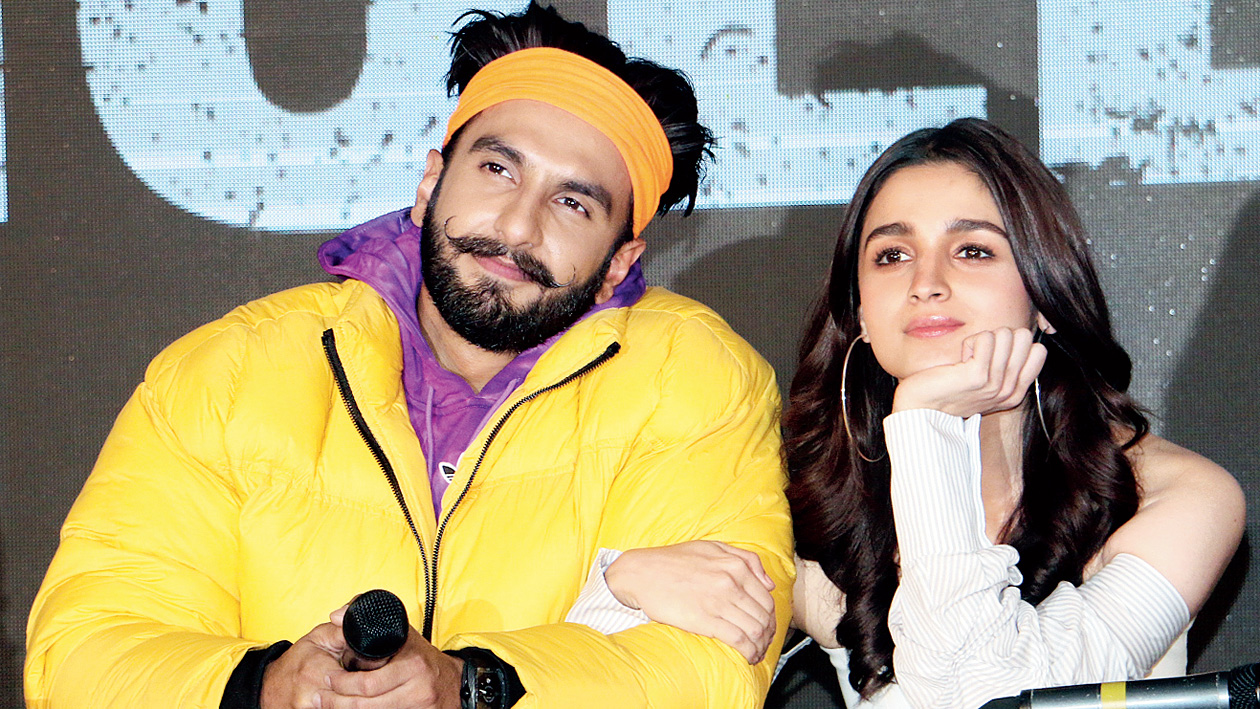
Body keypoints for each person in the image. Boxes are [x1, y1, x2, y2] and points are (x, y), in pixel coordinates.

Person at [23, 4, 793, 708]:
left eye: (572, 202)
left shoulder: (693, 379)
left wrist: (474, 685)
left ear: (620, 263)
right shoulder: (231, 371)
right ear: (430, 182)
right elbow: (82, 649)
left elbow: (710, 671)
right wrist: (261, 683)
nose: (518, 228)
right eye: (498, 169)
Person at [782, 117, 1244, 709]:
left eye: (972, 250)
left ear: (1044, 295)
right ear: (862, 313)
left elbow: (984, 697)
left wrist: (929, 423)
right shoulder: (814, 505)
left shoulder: (1178, 496)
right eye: (892, 255)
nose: (927, 282)